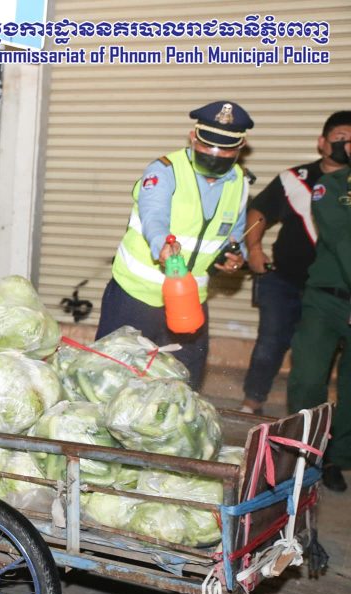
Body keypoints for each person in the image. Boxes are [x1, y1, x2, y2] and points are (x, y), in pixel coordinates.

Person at [96, 101, 253, 389]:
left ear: (240, 147)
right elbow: (153, 216)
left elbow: (236, 234)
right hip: (136, 295)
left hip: (190, 300)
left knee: (182, 386)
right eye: (208, 145)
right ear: (193, 138)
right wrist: (161, 245)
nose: (215, 154)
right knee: (111, 380)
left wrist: (236, 257)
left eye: (225, 149)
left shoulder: (240, 184)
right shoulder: (165, 171)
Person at [240, 112, 351, 415]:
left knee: (319, 360)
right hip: (286, 281)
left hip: (335, 289)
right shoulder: (295, 179)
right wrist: (254, 249)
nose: (345, 145)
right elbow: (259, 212)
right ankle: (251, 404)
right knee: (271, 342)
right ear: (322, 142)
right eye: (340, 138)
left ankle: (323, 423)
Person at [287, 133, 351, 493]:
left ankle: (335, 458)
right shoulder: (331, 186)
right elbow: (342, 239)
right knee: (308, 378)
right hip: (327, 299)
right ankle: (301, 455)